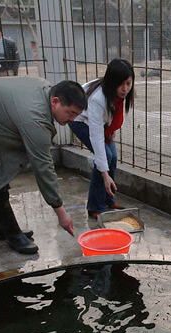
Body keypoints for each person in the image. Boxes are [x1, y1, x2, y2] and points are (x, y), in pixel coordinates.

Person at [0, 77, 87, 254]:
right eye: (70, 113)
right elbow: (43, 167)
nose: (72, 119)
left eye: (76, 115)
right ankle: (13, 235)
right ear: (55, 102)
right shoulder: (35, 119)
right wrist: (62, 214)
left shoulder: (45, 88)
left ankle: (2, 230)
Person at [69, 58, 135, 218]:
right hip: (79, 120)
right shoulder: (98, 99)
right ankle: (95, 207)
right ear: (112, 82)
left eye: (128, 83)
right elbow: (96, 138)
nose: (125, 88)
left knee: (112, 157)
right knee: (104, 156)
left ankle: (108, 200)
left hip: (99, 123)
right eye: (121, 84)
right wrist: (104, 175)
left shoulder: (118, 93)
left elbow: (114, 116)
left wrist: (111, 129)